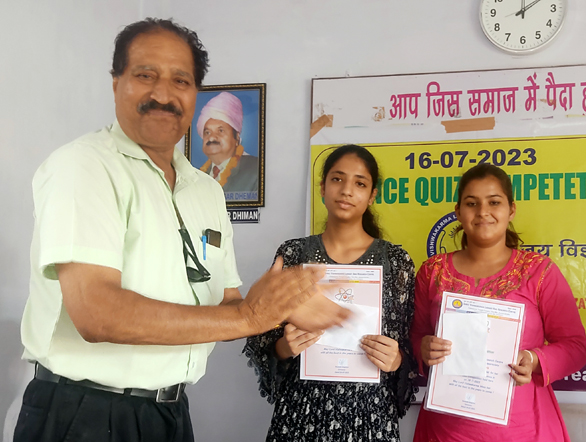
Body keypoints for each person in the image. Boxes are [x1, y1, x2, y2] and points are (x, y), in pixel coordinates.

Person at [14, 18, 347, 442]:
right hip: (85, 412)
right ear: (116, 84)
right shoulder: (84, 167)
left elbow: (226, 303)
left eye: (180, 80)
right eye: (145, 75)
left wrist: (279, 306)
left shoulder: (206, 191)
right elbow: (96, 314)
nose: (163, 94)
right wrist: (250, 316)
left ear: (194, 94)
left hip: (170, 412)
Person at [244, 144, 417, 442]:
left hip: (370, 416)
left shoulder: (396, 263)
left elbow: (410, 346)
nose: (347, 190)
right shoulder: (293, 254)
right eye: (337, 179)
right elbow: (262, 333)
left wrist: (396, 360)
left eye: (359, 183)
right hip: (301, 414)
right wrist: (284, 347)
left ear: (372, 195)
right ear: (323, 188)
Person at [411, 164, 586, 442]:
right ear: (458, 212)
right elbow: (415, 337)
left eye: (494, 202)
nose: (483, 212)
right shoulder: (432, 271)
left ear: (511, 210)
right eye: (472, 203)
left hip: (523, 429)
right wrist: (423, 348)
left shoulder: (538, 271)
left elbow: (575, 347)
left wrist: (534, 360)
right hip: (444, 429)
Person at [196, 91, 259, 196]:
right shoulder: (196, 175)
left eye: (220, 131)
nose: (211, 137)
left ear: (237, 137)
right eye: (207, 132)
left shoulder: (256, 170)